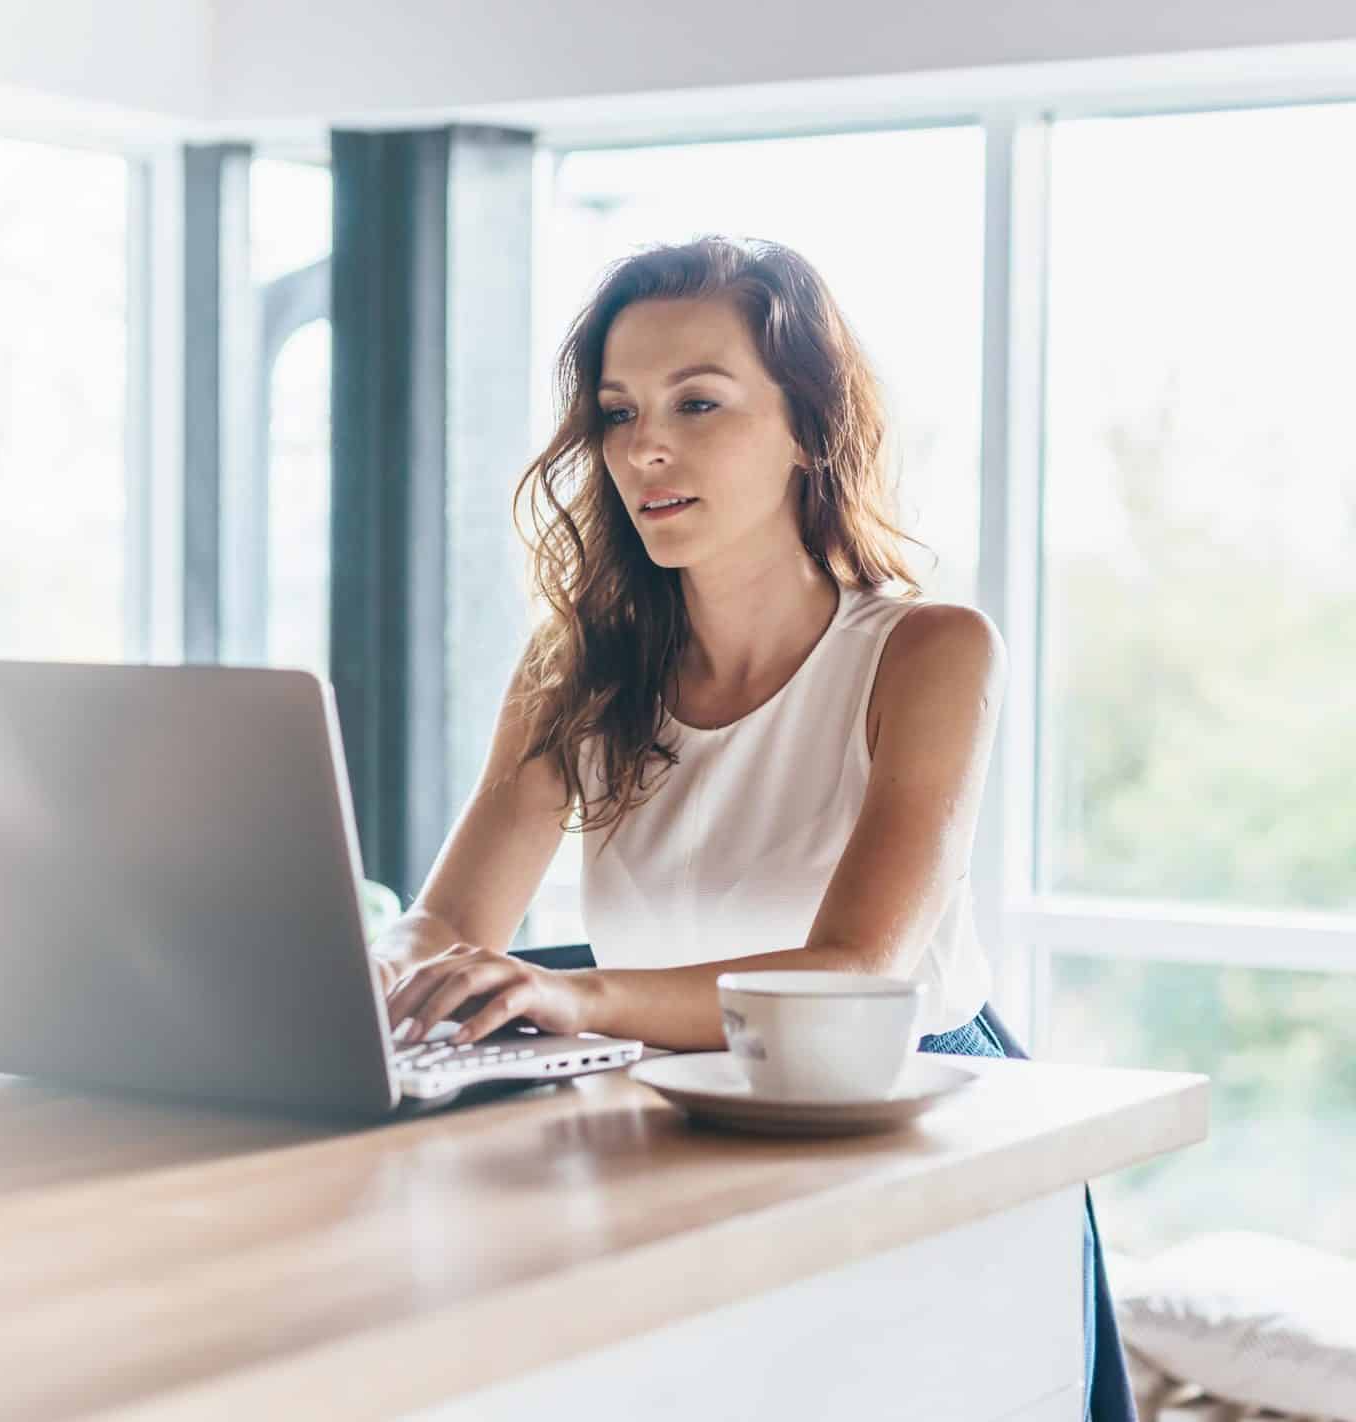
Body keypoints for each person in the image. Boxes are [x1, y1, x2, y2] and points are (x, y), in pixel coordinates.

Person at [368, 236, 1136, 1422]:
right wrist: (364, 974)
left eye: (698, 403)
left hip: (918, 1123)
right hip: (673, 1119)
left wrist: (581, 997)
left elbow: (855, 974)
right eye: (617, 412)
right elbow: (444, 922)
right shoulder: (573, 665)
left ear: (808, 428)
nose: (644, 448)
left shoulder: (928, 649)